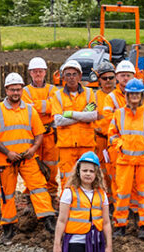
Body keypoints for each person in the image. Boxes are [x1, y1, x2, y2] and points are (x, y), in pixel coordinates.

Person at [0, 73, 55, 245]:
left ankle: (49, 222)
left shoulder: (30, 110)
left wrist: (33, 149)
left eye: (18, 89)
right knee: (6, 195)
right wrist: (7, 152)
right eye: (12, 89)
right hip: (6, 161)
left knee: (39, 188)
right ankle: (8, 229)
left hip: (27, 158)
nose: (15, 92)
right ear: (6, 90)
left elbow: (39, 133)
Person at [51, 151, 113, 252]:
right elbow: (61, 220)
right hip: (75, 242)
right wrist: (57, 244)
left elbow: (106, 222)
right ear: (78, 171)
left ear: (97, 173)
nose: (88, 174)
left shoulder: (102, 194)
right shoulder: (69, 193)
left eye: (92, 171)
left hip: (94, 243)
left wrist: (109, 245)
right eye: (85, 170)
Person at [107, 78, 144, 239]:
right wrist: (120, 145)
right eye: (132, 94)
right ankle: (120, 225)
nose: (135, 97)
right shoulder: (119, 114)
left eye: (138, 94)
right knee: (122, 193)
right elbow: (112, 134)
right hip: (124, 160)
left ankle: (143, 225)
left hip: (143, 160)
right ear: (127, 95)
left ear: (141, 95)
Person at [100, 60, 144, 205]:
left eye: (128, 75)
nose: (125, 78)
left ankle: (133, 210)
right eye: (122, 75)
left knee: (136, 180)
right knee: (118, 179)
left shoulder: (141, 96)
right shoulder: (111, 97)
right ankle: (119, 209)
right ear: (117, 77)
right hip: (118, 146)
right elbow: (108, 119)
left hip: (136, 146)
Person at [50, 60, 101, 189]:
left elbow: (93, 116)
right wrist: (82, 115)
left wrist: (70, 114)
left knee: (89, 180)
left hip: (86, 144)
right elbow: (58, 121)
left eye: (74, 74)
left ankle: (86, 206)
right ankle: (67, 207)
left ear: (79, 76)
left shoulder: (89, 93)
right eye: (68, 74)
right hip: (66, 146)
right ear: (63, 77)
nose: (71, 77)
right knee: (67, 180)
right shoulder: (57, 96)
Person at [22, 57, 60, 200]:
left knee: (52, 165)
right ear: (30, 73)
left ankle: (51, 193)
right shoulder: (25, 91)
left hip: (50, 134)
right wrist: (46, 106)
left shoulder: (53, 89)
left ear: (45, 72)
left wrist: (36, 106)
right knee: (31, 164)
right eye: (35, 71)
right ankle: (30, 192)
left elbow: (55, 107)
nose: (38, 74)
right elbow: (27, 109)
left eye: (40, 71)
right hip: (33, 135)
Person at [92, 61, 117, 202]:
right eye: (104, 78)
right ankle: (105, 199)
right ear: (99, 80)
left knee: (117, 171)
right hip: (100, 140)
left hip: (116, 141)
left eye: (111, 78)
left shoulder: (121, 96)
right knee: (101, 171)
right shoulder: (93, 98)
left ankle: (116, 198)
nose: (108, 81)